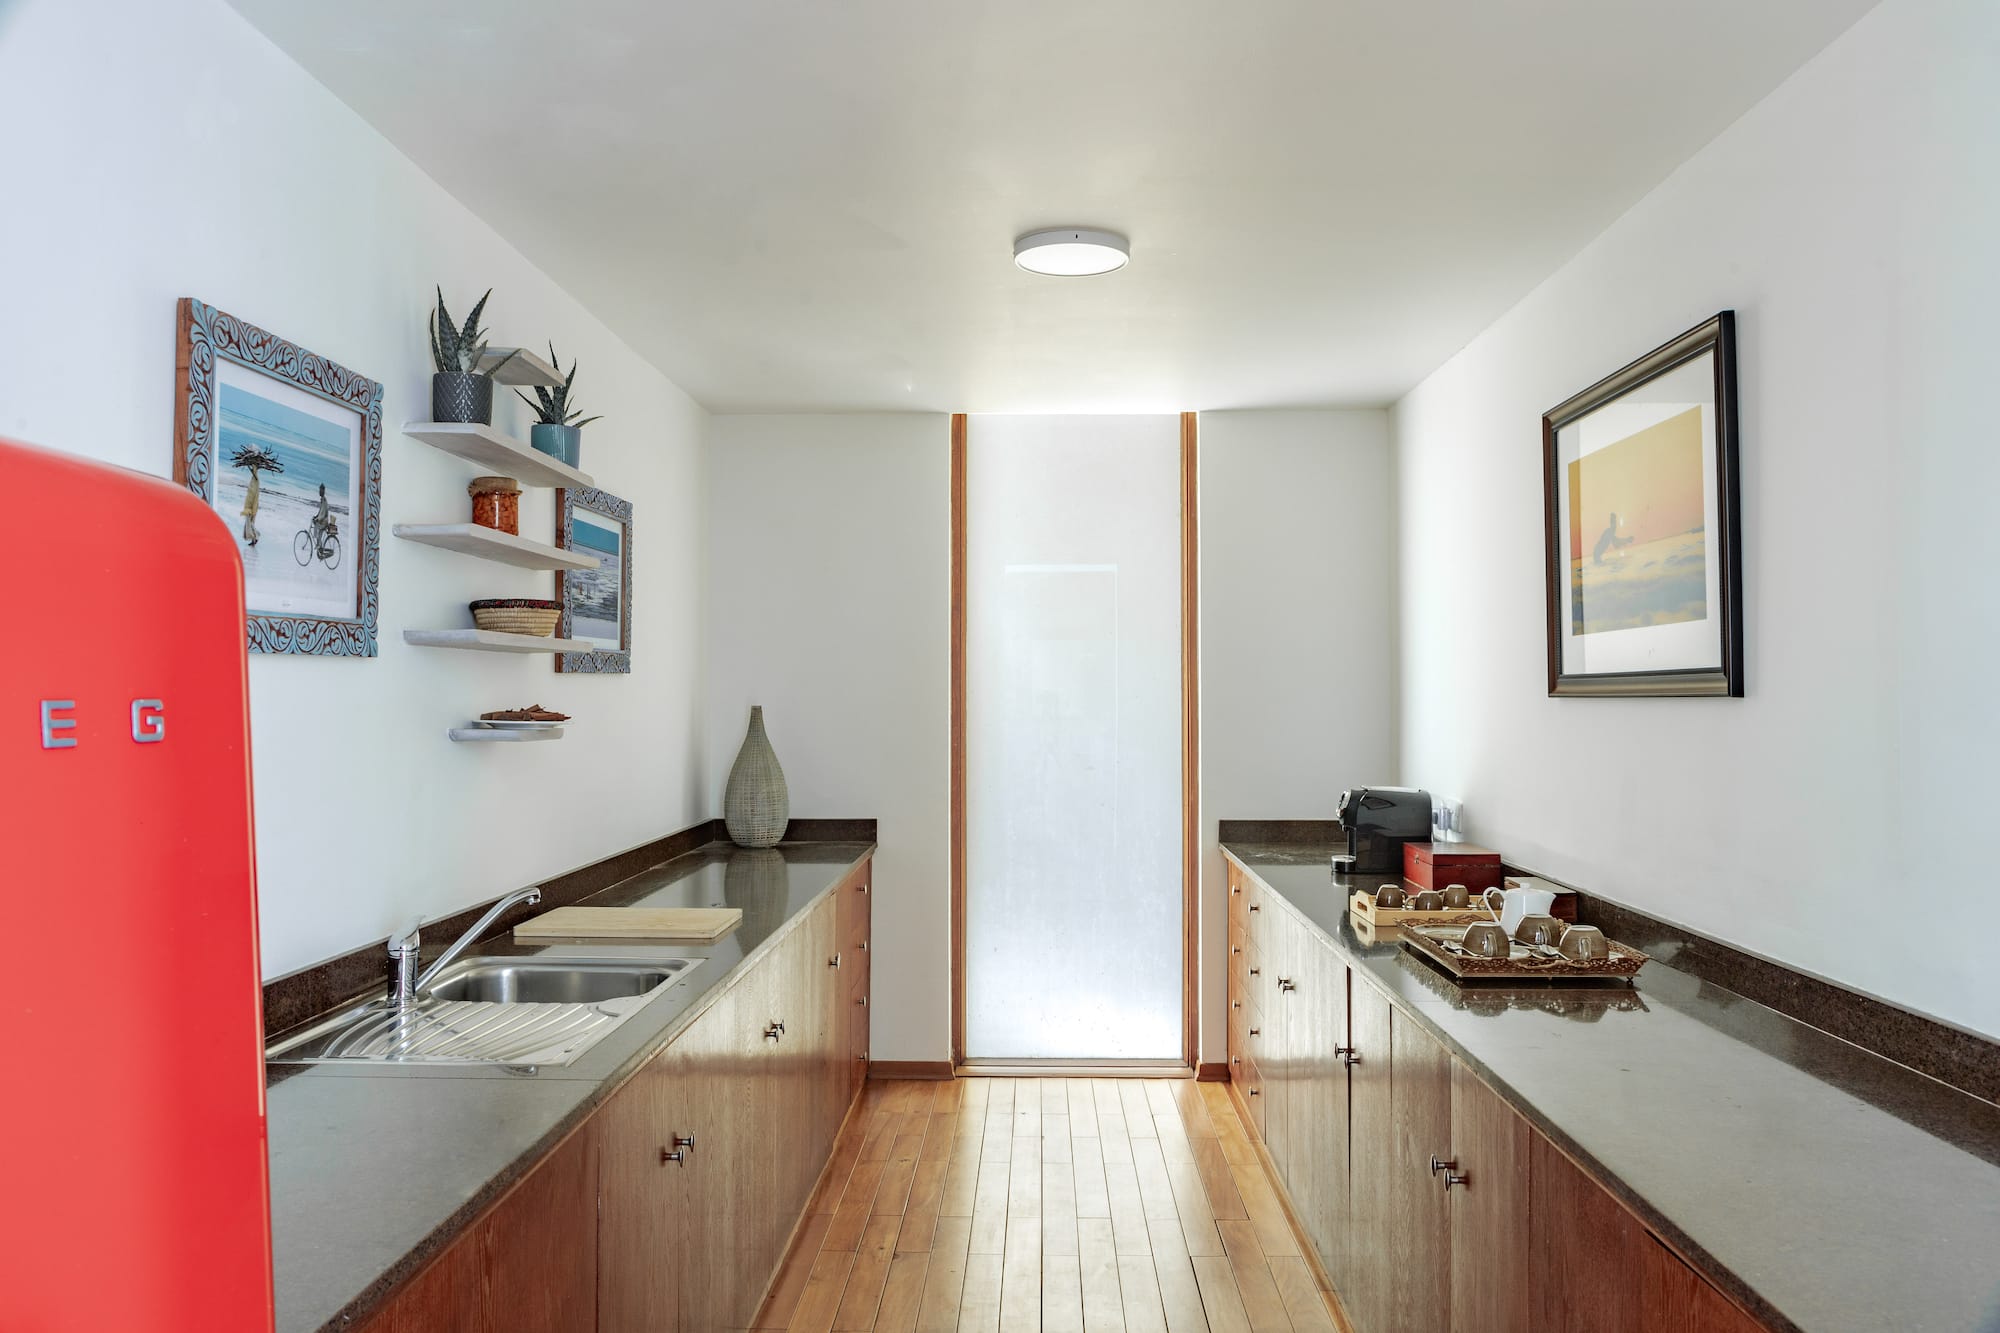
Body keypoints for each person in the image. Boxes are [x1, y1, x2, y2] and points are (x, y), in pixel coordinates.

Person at [240, 466, 261, 547]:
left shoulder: (256, 481)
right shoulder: (253, 481)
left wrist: (253, 511)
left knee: (250, 525)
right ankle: (254, 540)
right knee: (250, 525)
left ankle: (256, 537)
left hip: (251, 509)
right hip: (249, 508)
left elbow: (255, 498)